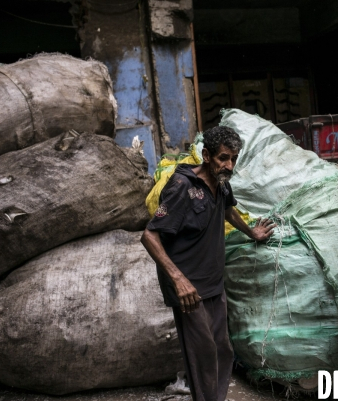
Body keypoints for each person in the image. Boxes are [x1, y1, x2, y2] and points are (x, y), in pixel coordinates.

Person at [141, 126, 276, 401]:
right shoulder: (182, 187)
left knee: (223, 350)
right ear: (206, 155)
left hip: (214, 284)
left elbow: (227, 210)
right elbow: (149, 235)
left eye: (234, 159)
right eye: (223, 158)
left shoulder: (222, 183)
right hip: (189, 289)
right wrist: (178, 281)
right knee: (203, 354)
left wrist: (252, 232)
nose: (229, 165)